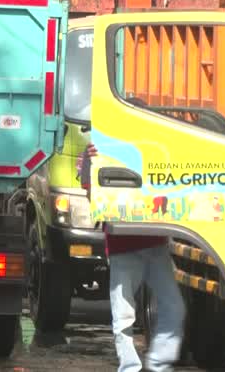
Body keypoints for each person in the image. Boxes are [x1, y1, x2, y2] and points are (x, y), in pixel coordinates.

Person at [78, 143, 185, 372]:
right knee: (124, 316)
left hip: (154, 243)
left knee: (172, 307)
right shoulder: (94, 151)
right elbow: (91, 192)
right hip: (123, 245)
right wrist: (90, 162)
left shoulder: (154, 145)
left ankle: (158, 365)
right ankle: (130, 368)